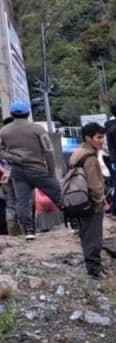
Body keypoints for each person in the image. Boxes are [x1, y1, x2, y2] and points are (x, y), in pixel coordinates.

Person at [0, 100, 62, 240]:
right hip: (38, 168)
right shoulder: (37, 129)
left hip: (17, 171)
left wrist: (13, 158)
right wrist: (51, 171)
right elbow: (48, 150)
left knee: (22, 201)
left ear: (12, 114)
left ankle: (29, 231)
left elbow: (1, 150)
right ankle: (74, 222)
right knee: (57, 194)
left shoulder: (4, 131)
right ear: (28, 113)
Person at [67, 122, 108, 279]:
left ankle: (93, 266)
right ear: (88, 138)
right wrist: (99, 200)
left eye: (102, 137)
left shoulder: (76, 153)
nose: (101, 140)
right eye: (98, 137)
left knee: (85, 235)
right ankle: (95, 270)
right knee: (94, 236)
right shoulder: (90, 157)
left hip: (77, 200)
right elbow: (95, 184)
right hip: (91, 203)